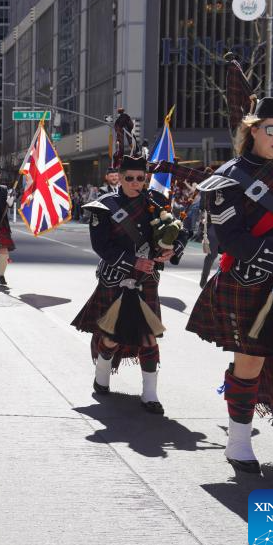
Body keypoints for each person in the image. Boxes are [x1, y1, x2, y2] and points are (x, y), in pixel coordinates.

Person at [187, 96, 273, 496]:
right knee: (249, 363)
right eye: (272, 130)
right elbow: (229, 240)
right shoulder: (228, 177)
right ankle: (238, 442)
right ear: (253, 130)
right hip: (250, 280)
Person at [71, 153, 189, 415]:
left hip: (147, 280)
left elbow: (181, 231)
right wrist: (133, 261)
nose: (136, 182)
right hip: (116, 278)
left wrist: (173, 249)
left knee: (149, 338)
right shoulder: (104, 206)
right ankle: (102, 374)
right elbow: (101, 246)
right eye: (130, 178)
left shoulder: (156, 202)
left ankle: (150, 394)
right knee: (111, 338)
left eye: (140, 178)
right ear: (120, 178)